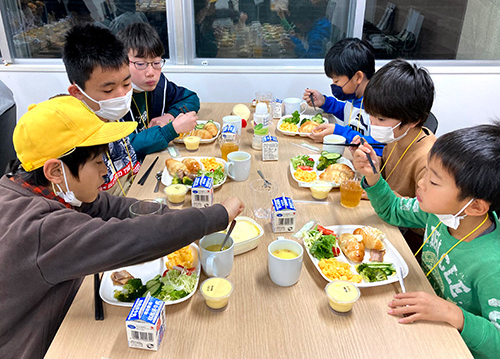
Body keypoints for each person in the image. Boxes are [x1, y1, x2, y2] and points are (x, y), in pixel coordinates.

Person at [0, 96, 244, 359]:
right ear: (55, 171)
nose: (106, 171)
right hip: (45, 345)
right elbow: (129, 239)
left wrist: (167, 215)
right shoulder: (35, 229)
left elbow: (109, 206)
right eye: (97, 163)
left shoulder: (39, 186)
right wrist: (216, 216)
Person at [352, 122, 500, 359]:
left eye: (433, 181)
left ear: (475, 206)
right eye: (427, 172)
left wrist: (456, 315)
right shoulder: (440, 212)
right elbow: (393, 209)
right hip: (419, 313)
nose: (421, 183)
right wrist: (373, 177)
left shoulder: (493, 267)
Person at [117, 22, 200, 159]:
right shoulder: (114, 97)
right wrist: (171, 130)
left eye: (156, 63)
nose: (151, 72)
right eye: (141, 64)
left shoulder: (158, 84)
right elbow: (125, 147)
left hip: (154, 158)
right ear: (122, 62)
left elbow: (191, 98)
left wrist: (169, 116)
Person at [302, 38, 382, 155]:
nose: (334, 86)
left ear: (358, 77)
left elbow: (381, 147)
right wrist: (324, 102)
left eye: (337, 81)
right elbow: (348, 112)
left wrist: (340, 131)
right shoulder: (355, 96)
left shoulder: (380, 106)